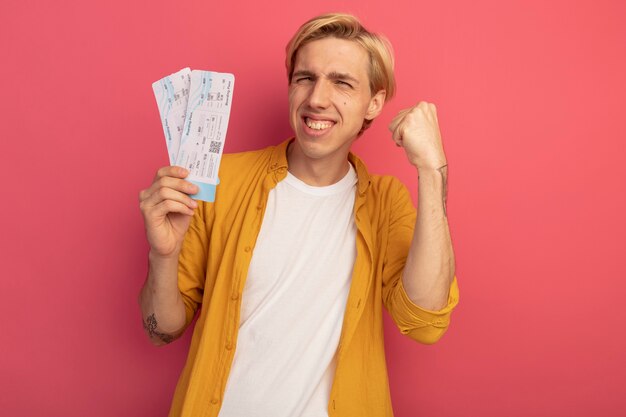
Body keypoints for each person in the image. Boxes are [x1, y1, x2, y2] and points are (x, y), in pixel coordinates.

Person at [139, 12, 459, 417]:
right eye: (305, 78)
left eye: (342, 82)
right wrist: (163, 255)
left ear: (373, 103)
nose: (316, 99)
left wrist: (432, 170)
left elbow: (426, 320)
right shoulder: (222, 183)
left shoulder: (386, 203)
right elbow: (161, 330)